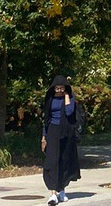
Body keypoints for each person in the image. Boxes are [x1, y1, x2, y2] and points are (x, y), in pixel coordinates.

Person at [41, 75, 84, 205]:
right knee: (52, 161)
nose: (59, 90)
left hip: (66, 132)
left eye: (61, 88)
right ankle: (53, 194)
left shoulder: (70, 98)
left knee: (64, 160)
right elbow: (46, 120)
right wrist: (44, 137)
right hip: (52, 131)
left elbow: (69, 112)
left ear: (65, 88)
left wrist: (67, 96)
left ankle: (62, 190)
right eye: (57, 88)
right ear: (53, 88)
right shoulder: (50, 100)